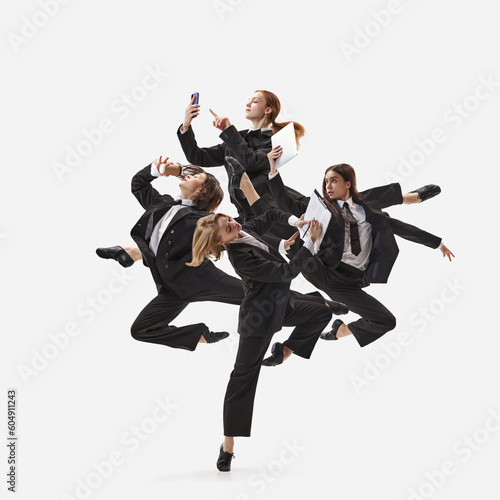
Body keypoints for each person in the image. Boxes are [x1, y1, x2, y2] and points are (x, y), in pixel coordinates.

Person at [228, 155, 454, 348]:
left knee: (386, 320)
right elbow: (285, 201)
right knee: (286, 215)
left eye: (333, 180)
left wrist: (437, 243)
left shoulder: (367, 212)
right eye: (325, 181)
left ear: (347, 183)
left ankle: (341, 330)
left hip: (349, 281)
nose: (327, 185)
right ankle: (246, 185)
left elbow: (401, 228)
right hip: (322, 270)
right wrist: (274, 171)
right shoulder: (324, 210)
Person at [188, 209, 345, 471]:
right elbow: (286, 273)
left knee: (320, 313)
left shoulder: (242, 230)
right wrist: (309, 242)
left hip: (284, 302)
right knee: (242, 378)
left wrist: (296, 222)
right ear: (220, 243)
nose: (233, 223)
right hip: (259, 319)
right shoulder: (240, 258)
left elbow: (270, 214)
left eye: (228, 219)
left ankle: (284, 350)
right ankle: (228, 445)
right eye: (227, 227)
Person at [97, 156, 245, 350]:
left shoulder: (205, 220)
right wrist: (155, 171)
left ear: (202, 190)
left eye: (196, 176)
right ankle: (200, 335)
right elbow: (138, 185)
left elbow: (236, 224)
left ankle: (130, 253)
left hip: (203, 280)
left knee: (261, 295)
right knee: (141, 330)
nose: (186, 176)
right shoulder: (161, 203)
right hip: (174, 287)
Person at [177, 90, 306, 226]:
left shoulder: (274, 141)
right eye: (249, 100)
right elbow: (197, 157)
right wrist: (186, 126)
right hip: (247, 216)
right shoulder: (236, 138)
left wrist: (229, 130)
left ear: (268, 109)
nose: (248, 103)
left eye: (255, 101)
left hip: (273, 215)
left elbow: (250, 162)